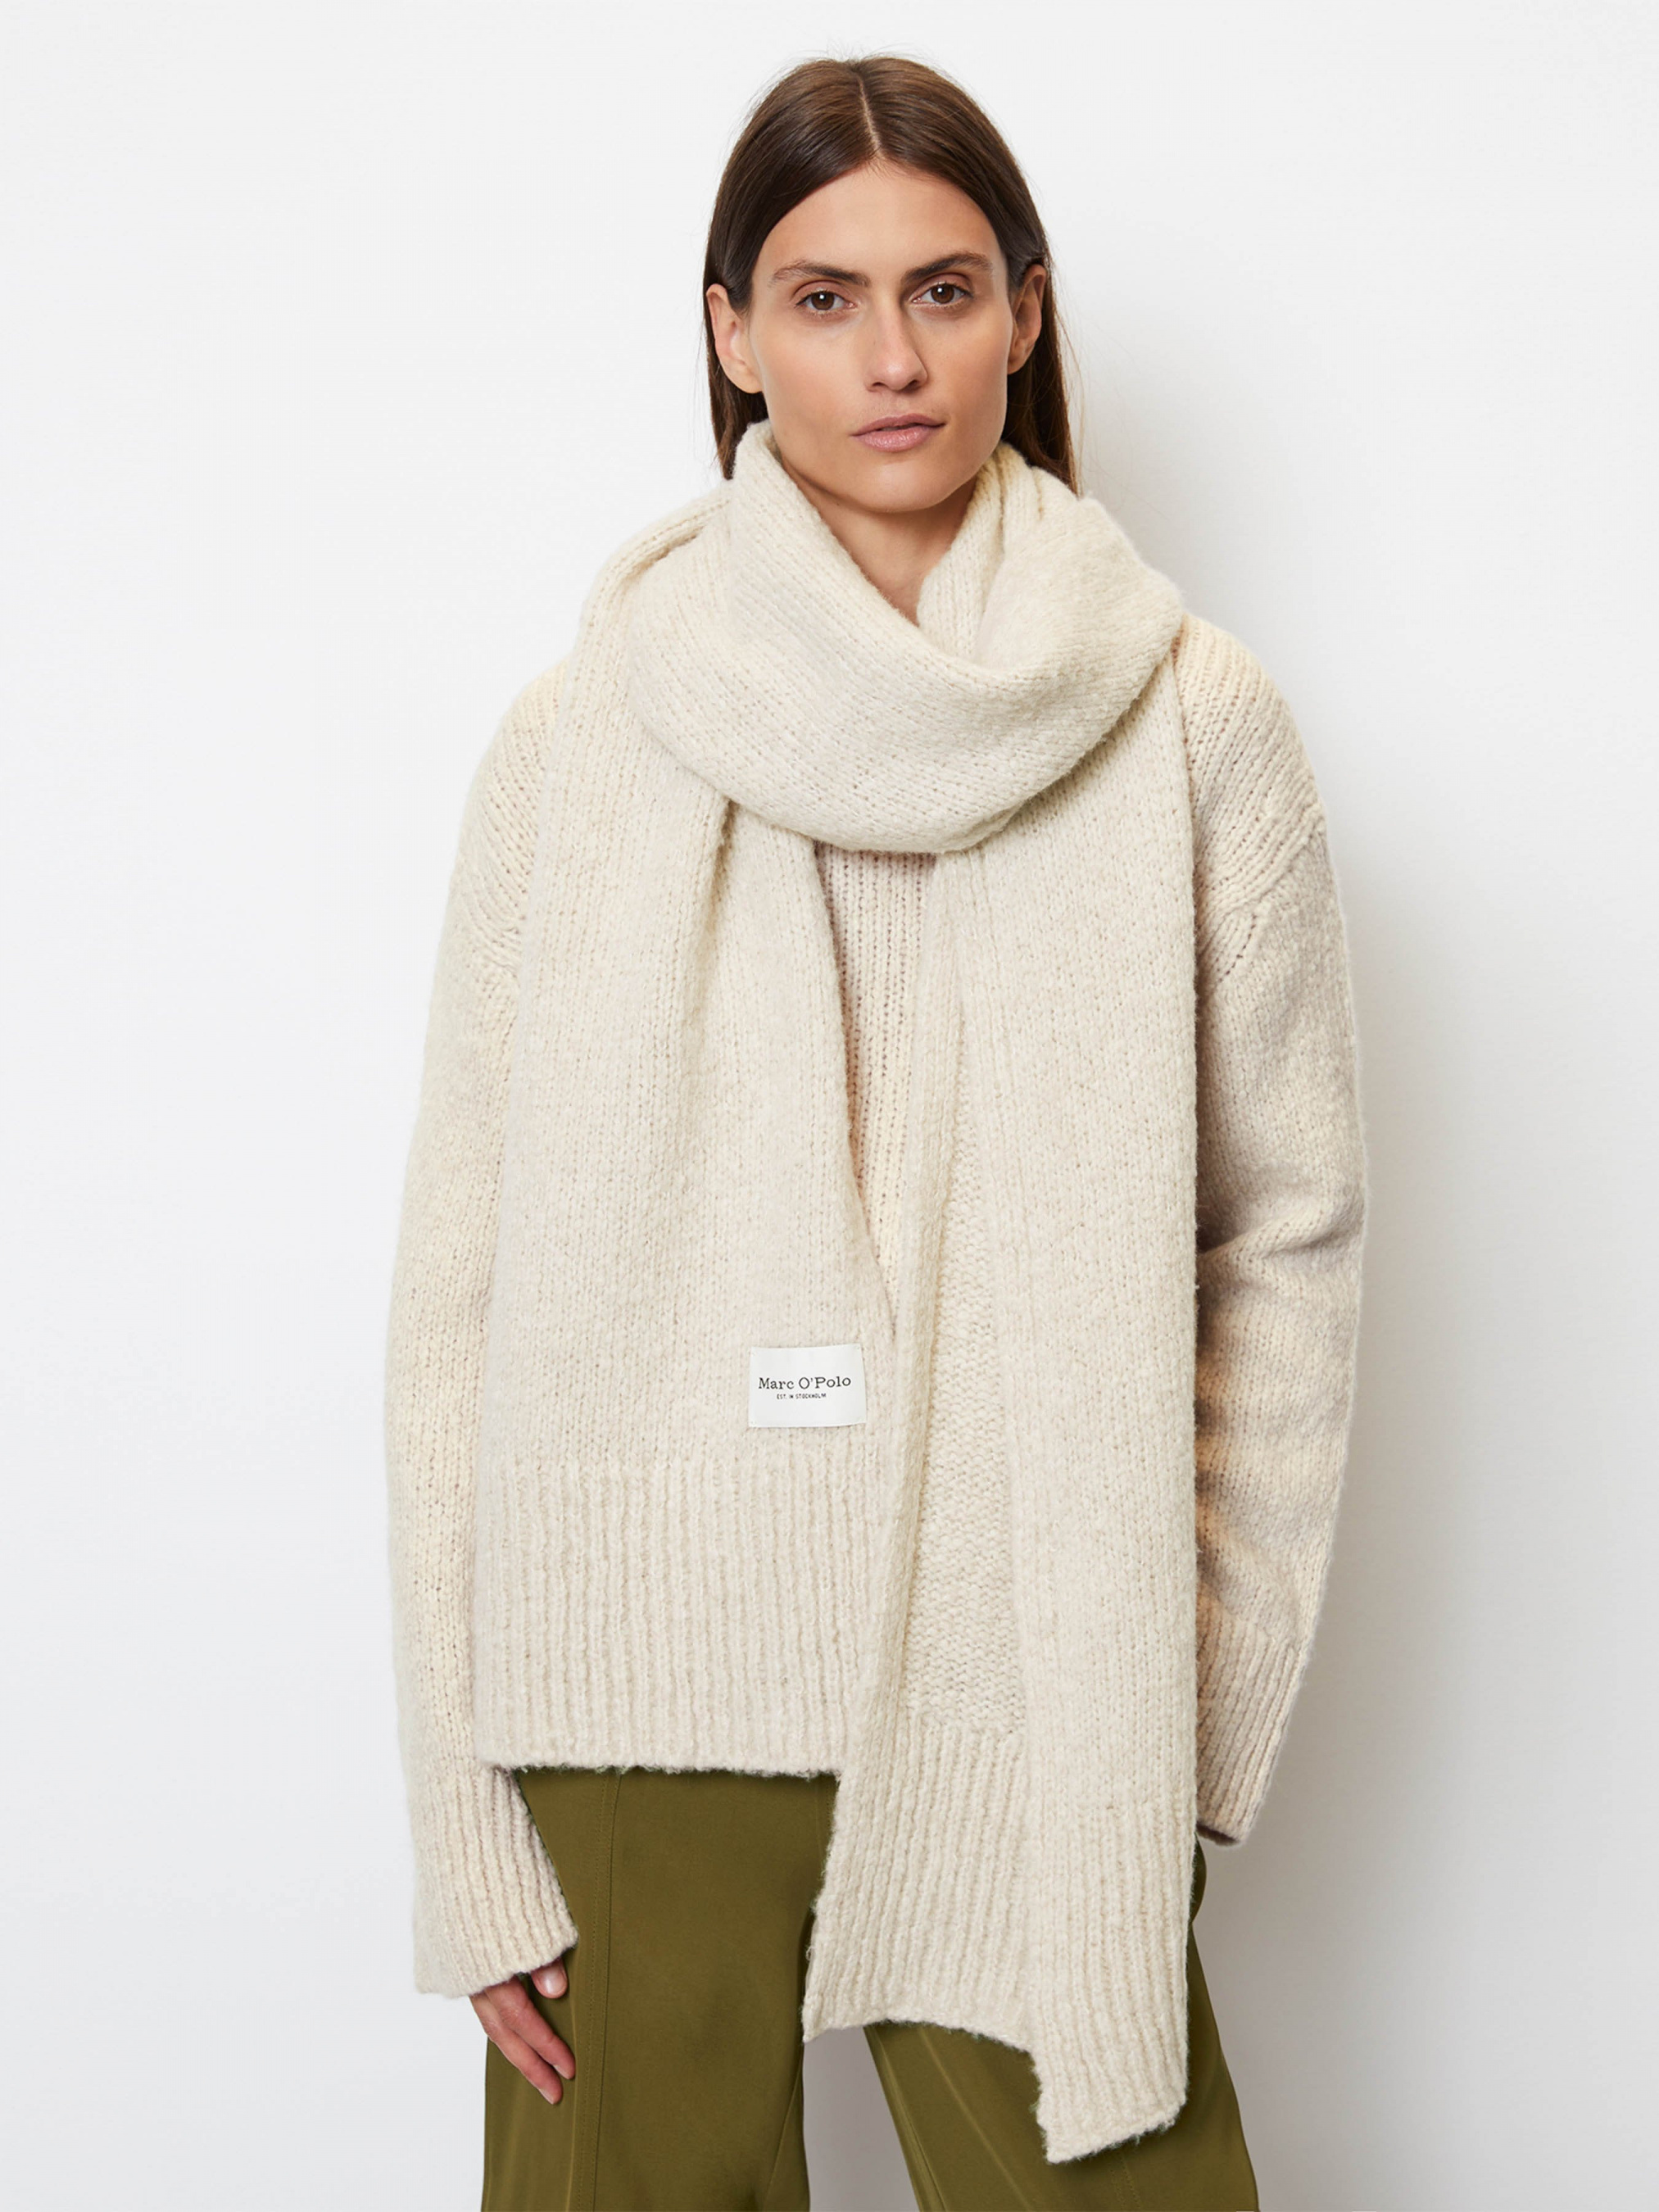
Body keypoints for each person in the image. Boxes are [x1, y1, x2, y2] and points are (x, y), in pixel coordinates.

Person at [384, 52, 1367, 2212]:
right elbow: (457, 1294)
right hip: (640, 1673)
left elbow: (1283, 1235)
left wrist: (1189, 1707)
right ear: (731, 334)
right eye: (821, 299)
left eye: (942, 289)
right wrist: (467, 1823)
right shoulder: (576, 740)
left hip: (1041, 1668)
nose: (892, 359)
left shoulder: (1193, 723)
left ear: (1025, 313)